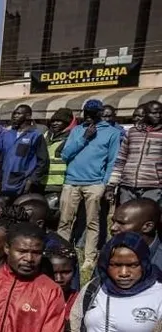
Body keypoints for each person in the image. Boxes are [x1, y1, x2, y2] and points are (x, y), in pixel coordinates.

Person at [59, 99, 123, 270]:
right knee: (65, 220)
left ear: (100, 114)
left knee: (92, 222)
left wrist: (106, 184)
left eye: (92, 113)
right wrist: (84, 138)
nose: (88, 116)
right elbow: (65, 154)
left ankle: (89, 258)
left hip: (95, 183)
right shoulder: (77, 130)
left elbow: (112, 161)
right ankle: (61, 253)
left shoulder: (112, 133)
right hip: (71, 181)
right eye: (86, 113)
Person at [107, 101, 162, 206]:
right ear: (145, 114)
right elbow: (121, 160)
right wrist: (111, 185)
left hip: (153, 187)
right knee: (127, 218)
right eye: (154, 113)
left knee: (148, 218)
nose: (158, 115)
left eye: (160, 113)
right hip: (127, 186)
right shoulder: (132, 132)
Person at [0, 104, 49, 198]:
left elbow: (43, 161)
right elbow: (1, 158)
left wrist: (31, 180)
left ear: (28, 116)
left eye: (18, 113)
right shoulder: (7, 134)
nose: (15, 116)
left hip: (22, 184)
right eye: (14, 113)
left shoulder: (36, 136)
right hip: (5, 183)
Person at [111, 198, 162, 272]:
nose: (113, 228)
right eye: (113, 221)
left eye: (121, 223)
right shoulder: (109, 252)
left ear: (147, 227)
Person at [42, 108, 75, 204]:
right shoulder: (46, 135)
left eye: (59, 121)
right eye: (53, 121)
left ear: (67, 123)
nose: (55, 123)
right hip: (42, 182)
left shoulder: (71, 137)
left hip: (60, 184)